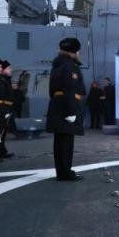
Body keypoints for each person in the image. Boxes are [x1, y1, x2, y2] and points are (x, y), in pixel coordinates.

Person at [45, 38, 86, 181]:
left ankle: (62, 171)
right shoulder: (69, 66)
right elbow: (69, 90)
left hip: (58, 106)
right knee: (66, 143)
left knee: (60, 142)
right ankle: (65, 172)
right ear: (75, 51)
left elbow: (52, 91)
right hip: (67, 108)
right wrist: (72, 112)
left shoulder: (57, 65)